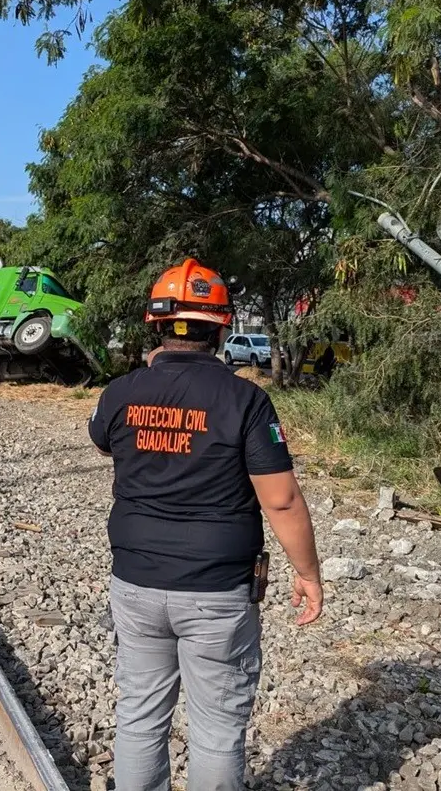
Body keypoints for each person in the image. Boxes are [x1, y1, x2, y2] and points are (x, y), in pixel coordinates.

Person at [89, 258, 324, 791]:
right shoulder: (246, 401)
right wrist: (307, 573)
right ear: (221, 328)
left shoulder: (121, 392)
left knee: (140, 716)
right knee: (218, 728)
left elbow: (103, 440)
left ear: (157, 326)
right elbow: (282, 501)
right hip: (217, 589)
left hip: (136, 581)